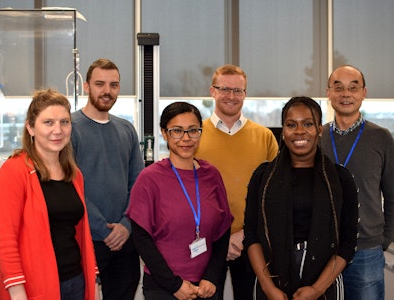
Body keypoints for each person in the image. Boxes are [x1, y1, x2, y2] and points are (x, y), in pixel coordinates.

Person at [244, 96, 358, 299]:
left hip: (324, 281)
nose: (299, 131)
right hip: (272, 279)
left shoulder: (341, 178)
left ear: (320, 130)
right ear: (283, 131)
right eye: (291, 125)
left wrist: (317, 289)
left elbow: (348, 243)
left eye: (308, 124)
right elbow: (252, 236)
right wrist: (269, 289)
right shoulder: (263, 176)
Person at [0, 89, 100, 300]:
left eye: (64, 122)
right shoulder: (14, 172)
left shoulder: (74, 175)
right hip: (34, 286)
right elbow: (5, 240)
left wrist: (93, 279)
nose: (58, 130)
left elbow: (81, 235)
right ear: (30, 128)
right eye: (48, 122)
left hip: (76, 281)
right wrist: (17, 292)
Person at [126, 101, 233, 300]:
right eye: (177, 131)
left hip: (206, 287)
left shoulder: (212, 175)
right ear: (164, 133)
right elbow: (142, 239)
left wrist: (211, 277)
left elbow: (223, 231)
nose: (186, 138)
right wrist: (174, 284)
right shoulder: (149, 178)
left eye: (193, 130)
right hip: (164, 288)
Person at [195, 64, 279, 299]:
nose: (231, 96)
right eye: (224, 89)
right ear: (212, 91)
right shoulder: (194, 135)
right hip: (206, 242)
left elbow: (274, 194)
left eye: (238, 91)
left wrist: (243, 235)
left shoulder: (265, 137)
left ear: (245, 94)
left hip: (251, 242)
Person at [71, 58, 144, 300]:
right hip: (86, 238)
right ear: (86, 87)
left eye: (113, 85)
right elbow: (71, 186)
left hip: (125, 238)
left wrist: (126, 225)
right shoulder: (69, 128)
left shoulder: (127, 129)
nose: (107, 91)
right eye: (100, 84)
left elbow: (138, 184)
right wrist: (103, 230)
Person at [321, 65, 394, 300]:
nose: (346, 94)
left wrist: (383, 240)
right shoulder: (316, 138)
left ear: (364, 93)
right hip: (322, 250)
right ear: (328, 93)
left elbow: (392, 195)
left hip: (366, 250)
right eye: (338, 87)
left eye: (353, 88)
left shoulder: (381, 138)